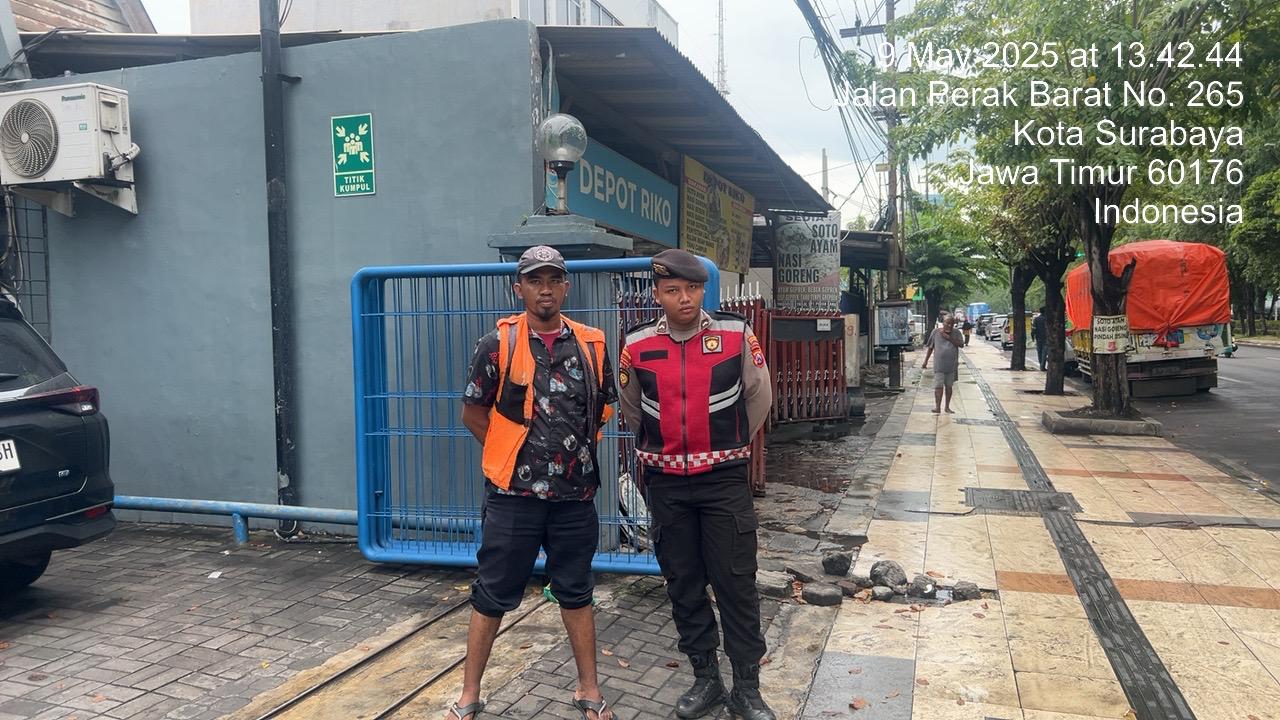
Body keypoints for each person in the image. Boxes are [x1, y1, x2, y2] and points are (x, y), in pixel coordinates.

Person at [450, 245, 618, 720]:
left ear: (567, 287)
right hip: (512, 498)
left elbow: (601, 409)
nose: (545, 289)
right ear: (517, 288)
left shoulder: (592, 344)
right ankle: (469, 696)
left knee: (576, 590)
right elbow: (473, 413)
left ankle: (589, 690)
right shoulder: (496, 345)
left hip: (574, 497)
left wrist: (570, 457)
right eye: (534, 280)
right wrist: (512, 455)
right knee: (491, 594)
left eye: (554, 280)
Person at [618, 248, 776, 720]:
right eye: (672, 290)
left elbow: (759, 396)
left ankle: (747, 689)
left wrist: (726, 444)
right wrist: (667, 450)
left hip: (723, 481)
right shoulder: (636, 344)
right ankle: (706, 680)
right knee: (684, 585)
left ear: (703, 290)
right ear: (657, 294)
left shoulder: (735, 334)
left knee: (736, 584)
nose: (683, 298)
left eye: (691, 288)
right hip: (666, 486)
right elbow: (631, 408)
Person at [922, 313, 964, 414]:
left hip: (951, 365)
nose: (949, 325)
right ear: (943, 323)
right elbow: (930, 347)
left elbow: (961, 344)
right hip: (939, 365)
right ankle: (938, 407)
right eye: (947, 323)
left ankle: (947, 407)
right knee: (938, 386)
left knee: (949, 387)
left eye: (952, 324)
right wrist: (925, 361)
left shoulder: (956, 332)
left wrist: (949, 338)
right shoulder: (935, 332)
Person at [1032, 307, 1048, 371]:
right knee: (1044, 352)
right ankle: (1042, 366)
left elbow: (1033, 329)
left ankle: (1041, 364)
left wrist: (1033, 336)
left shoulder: (1036, 319)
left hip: (1038, 338)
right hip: (1046, 338)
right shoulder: (1047, 319)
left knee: (1039, 352)